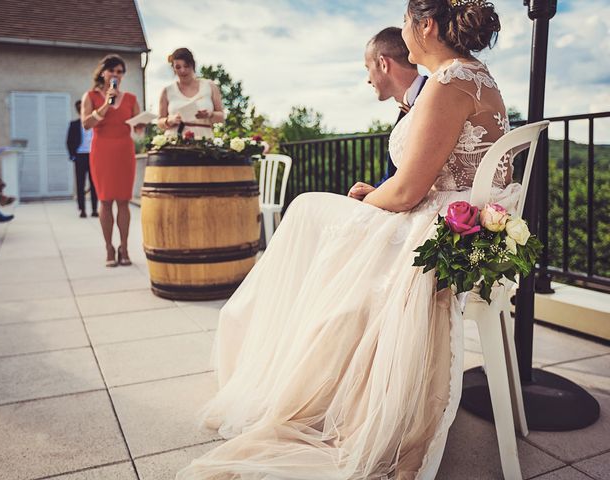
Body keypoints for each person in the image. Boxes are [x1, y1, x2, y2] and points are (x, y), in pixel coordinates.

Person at [179, 0, 509, 479]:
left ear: (426, 26)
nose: (403, 31)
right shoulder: (476, 77)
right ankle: (301, 361)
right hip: (452, 222)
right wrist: (380, 196)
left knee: (308, 211)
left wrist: (365, 204)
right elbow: (425, 181)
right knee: (316, 218)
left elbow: (409, 191)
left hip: (433, 232)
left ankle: (292, 367)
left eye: (404, 23)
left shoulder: (447, 82)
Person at [349, 27, 427, 202]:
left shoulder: (434, 96)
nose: (368, 79)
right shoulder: (406, 107)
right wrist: (372, 191)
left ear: (383, 64)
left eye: (368, 68)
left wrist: (370, 198)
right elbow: (393, 177)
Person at [81, 54, 144, 267]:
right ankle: (109, 247)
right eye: (112, 71)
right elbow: (87, 124)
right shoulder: (90, 96)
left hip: (124, 151)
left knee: (124, 201)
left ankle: (124, 247)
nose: (116, 75)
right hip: (102, 151)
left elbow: (138, 128)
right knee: (105, 201)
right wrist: (107, 103)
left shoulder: (132, 99)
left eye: (120, 72)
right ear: (103, 73)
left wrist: (141, 126)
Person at [156, 48, 224, 139]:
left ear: (193, 65)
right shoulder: (167, 90)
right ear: (173, 69)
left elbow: (222, 117)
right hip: (175, 140)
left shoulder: (210, 86)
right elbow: (159, 122)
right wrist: (169, 120)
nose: (183, 70)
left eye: (186, 66)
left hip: (203, 139)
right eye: (178, 67)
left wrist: (210, 114)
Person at [66, 100, 98, 218]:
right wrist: (73, 156)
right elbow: (69, 141)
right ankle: (82, 210)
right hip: (80, 156)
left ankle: (95, 209)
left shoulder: (95, 124)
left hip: (93, 156)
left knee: (94, 184)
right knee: (80, 184)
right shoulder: (74, 124)